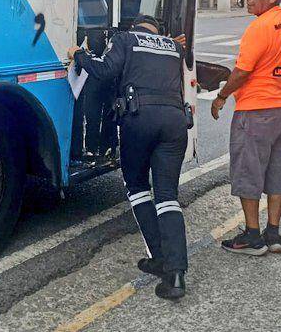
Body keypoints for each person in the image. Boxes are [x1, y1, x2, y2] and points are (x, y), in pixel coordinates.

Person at [68, 15, 190, 300]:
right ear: (158, 31)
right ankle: (176, 275)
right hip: (175, 123)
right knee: (167, 196)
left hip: (140, 119)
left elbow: (104, 70)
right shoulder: (174, 47)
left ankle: (158, 257)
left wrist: (79, 55)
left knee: (137, 188)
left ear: (134, 28)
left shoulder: (126, 39)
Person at [211, 0, 281, 256]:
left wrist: (222, 96)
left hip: (255, 109)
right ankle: (273, 234)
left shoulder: (259, 27)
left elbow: (242, 71)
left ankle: (252, 236)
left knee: (248, 171)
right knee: (275, 172)